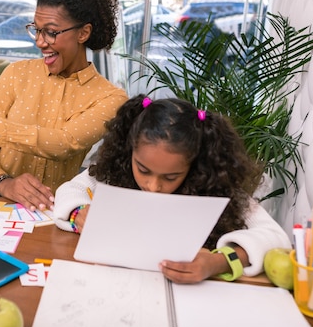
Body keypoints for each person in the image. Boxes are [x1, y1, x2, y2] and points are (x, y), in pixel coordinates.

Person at [53, 95, 291, 284]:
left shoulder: (217, 187)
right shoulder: (115, 169)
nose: (154, 186)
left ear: (194, 163)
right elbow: (72, 188)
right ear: (129, 151)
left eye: (171, 177)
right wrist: (79, 212)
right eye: (143, 170)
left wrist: (219, 263)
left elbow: (276, 237)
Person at [0, 0, 128, 211]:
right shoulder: (16, 74)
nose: (40, 42)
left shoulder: (109, 98)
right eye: (36, 30)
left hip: (52, 206)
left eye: (51, 32)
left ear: (83, 33)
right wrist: (4, 183)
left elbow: (63, 143)